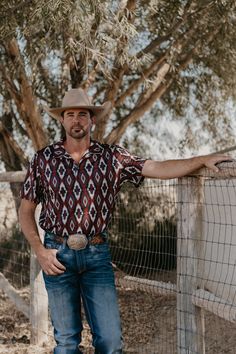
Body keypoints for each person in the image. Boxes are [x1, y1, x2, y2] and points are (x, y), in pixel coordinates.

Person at [19, 88, 231, 354]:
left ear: (91, 120)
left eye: (82, 114)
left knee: (110, 342)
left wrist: (201, 160)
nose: (76, 120)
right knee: (66, 342)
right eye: (70, 114)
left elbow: (156, 167)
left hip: (97, 255)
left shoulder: (112, 158)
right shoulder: (43, 160)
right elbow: (25, 210)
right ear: (62, 120)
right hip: (57, 256)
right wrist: (39, 251)